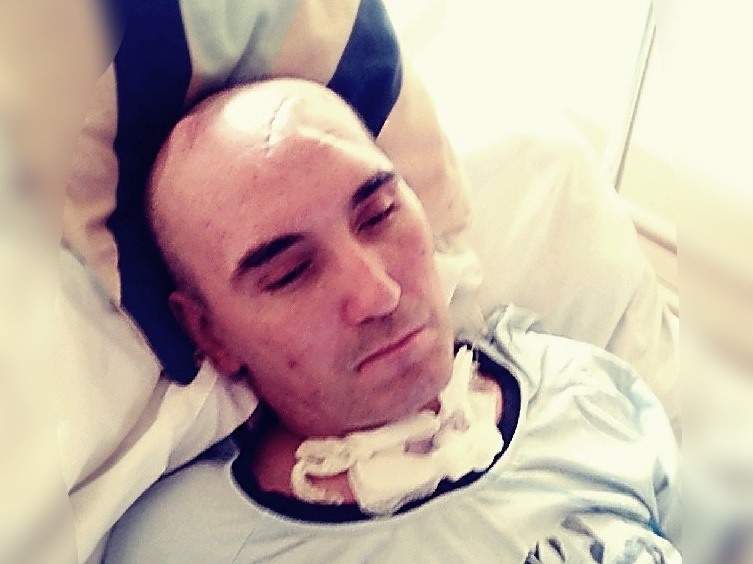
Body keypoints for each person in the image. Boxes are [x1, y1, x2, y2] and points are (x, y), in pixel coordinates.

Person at [103, 79, 680, 563]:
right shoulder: (191, 545)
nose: (378, 293)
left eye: (379, 214)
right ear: (210, 333)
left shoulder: (583, 388)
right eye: (290, 273)